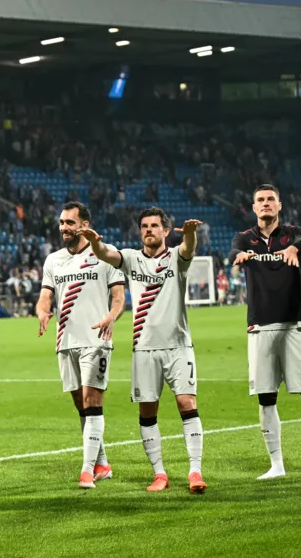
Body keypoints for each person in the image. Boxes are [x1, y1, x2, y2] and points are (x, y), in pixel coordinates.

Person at [79, 208, 207, 494]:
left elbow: (188, 247)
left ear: (165, 231)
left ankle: (195, 471)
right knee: (148, 411)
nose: (149, 230)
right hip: (144, 349)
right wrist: (96, 243)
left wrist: (190, 234)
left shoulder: (176, 257)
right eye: (145, 226)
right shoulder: (132, 258)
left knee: (187, 404)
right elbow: (105, 255)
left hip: (178, 346)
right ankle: (159, 473)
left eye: (154, 226)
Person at [231, 184, 301, 480]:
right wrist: (240, 257)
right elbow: (235, 251)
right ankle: (276, 465)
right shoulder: (244, 238)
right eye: (260, 200)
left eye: (270, 199)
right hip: (260, 327)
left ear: (279, 205)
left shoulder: (293, 233)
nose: (265, 204)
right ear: (254, 207)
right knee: (266, 399)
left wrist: (292, 248)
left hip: (295, 325)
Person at [36, 202, 125, 488]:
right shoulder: (53, 260)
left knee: (92, 401)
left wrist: (111, 317)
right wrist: (42, 311)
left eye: (69, 223)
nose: (63, 227)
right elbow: (46, 295)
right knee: (81, 405)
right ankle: (102, 462)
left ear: (85, 225)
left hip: (96, 339)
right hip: (66, 341)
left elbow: (119, 298)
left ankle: (87, 470)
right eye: (61, 222)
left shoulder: (105, 254)